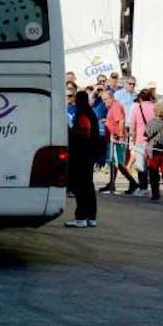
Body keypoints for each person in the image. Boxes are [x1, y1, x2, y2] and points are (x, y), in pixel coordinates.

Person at [66, 91, 99, 228]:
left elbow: (82, 133)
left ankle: (80, 217)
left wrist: (69, 131)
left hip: (81, 155)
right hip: (90, 154)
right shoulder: (92, 113)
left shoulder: (82, 114)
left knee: (80, 187)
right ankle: (91, 217)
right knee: (88, 186)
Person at [97, 90, 137, 194]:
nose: (104, 102)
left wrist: (119, 135)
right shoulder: (113, 107)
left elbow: (121, 121)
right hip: (113, 138)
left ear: (111, 98)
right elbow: (116, 120)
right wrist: (107, 121)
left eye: (105, 100)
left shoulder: (115, 106)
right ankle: (111, 183)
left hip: (117, 139)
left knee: (118, 163)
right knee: (113, 162)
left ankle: (132, 182)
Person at [128, 89, 157, 197]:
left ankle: (143, 187)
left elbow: (132, 126)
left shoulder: (136, 107)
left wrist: (131, 140)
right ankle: (154, 189)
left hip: (140, 139)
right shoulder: (155, 107)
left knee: (141, 165)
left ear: (140, 98)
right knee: (152, 166)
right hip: (153, 140)